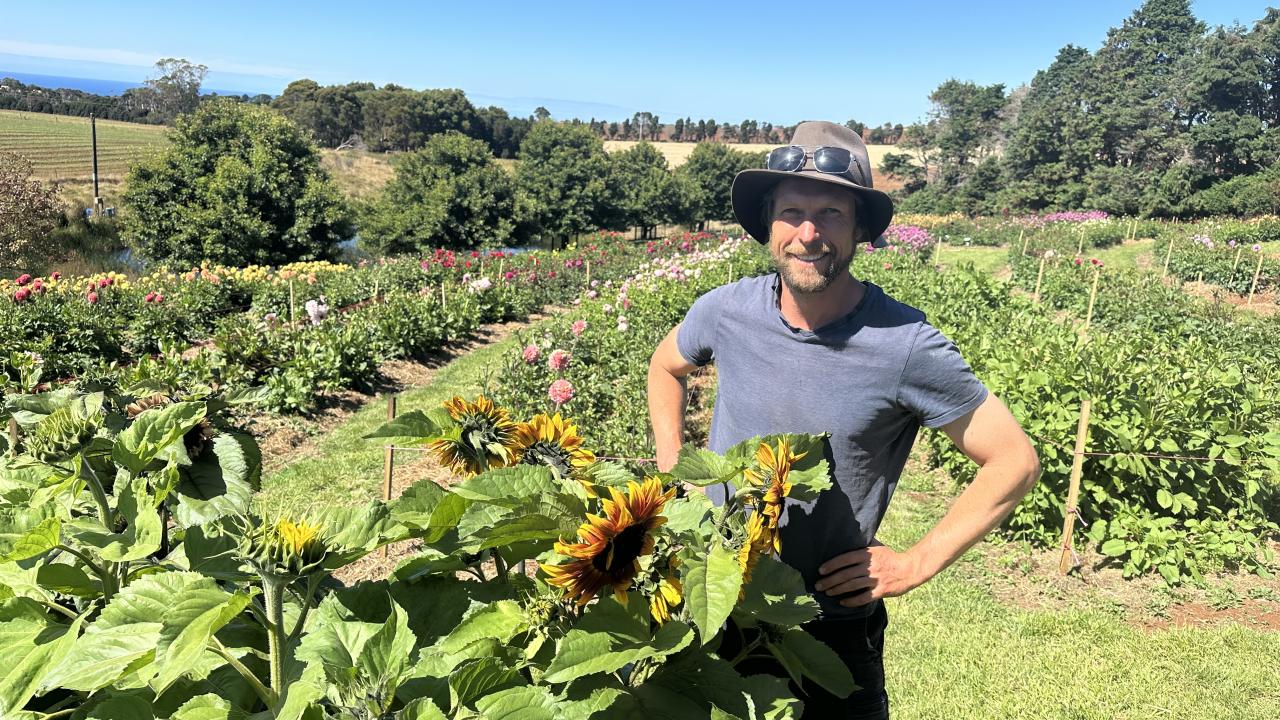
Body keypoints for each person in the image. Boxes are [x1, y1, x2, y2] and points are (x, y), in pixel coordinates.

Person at [646, 121, 1041, 718]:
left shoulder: (904, 342)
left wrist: (917, 562)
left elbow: (1014, 459)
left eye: (831, 213)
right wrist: (673, 460)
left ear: (859, 229)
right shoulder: (725, 311)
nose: (809, 234)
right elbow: (664, 365)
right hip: (715, 597)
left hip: (827, 621)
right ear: (768, 225)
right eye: (792, 212)